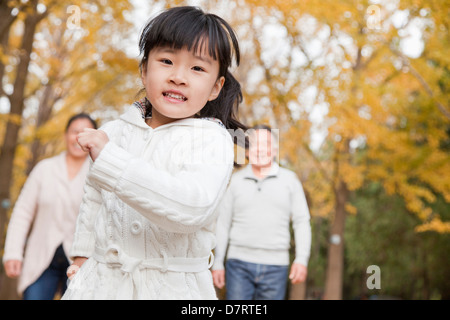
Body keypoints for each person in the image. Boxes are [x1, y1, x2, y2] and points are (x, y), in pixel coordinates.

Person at [62, 6, 246, 300]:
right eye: (166, 60)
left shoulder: (212, 140)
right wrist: (81, 258)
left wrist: (111, 161)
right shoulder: (115, 131)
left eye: (197, 68)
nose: (178, 77)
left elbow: (190, 208)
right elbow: (93, 199)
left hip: (173, 288)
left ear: (216, 87)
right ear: (145, 69)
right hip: (101, 285)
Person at [2, 113, 98, 300]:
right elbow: (23, 212)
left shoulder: (99, 172)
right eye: (74, 131)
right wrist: (13, 252)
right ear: (65, 135)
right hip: (41, 259)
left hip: (82, 262)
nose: (79, 137)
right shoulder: (44, 169)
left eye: (86, 132)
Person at [211, 125, 312, 300]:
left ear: (274, 150)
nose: (260, 148)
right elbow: (222, 223)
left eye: (265, 143)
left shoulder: (290, 181)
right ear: (247, 150)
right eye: (254, 143)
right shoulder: (234, 181)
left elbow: (301, 221)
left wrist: (301, 259)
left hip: (276, 266)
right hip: (238, 265)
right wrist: (218, 261)